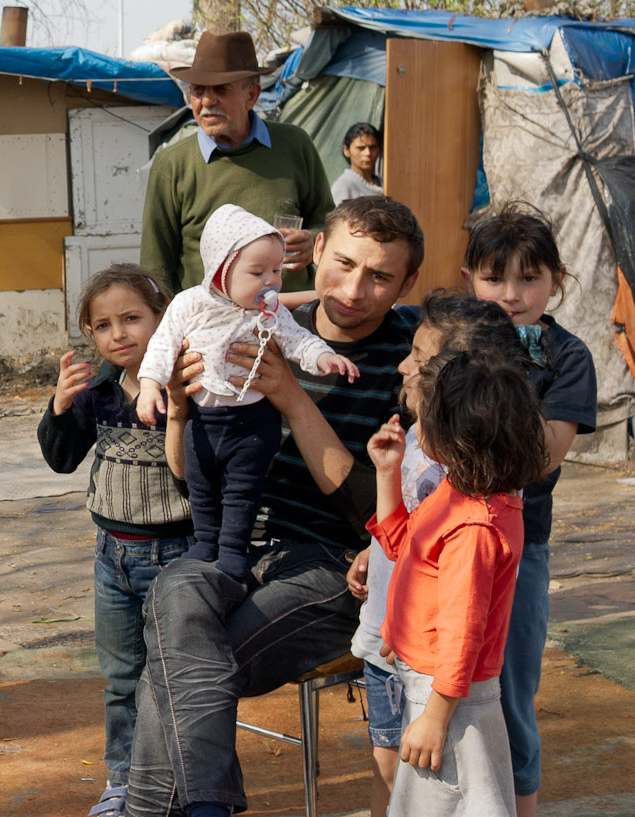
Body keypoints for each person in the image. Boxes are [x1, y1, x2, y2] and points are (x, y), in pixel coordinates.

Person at [125, 195, 424, 817]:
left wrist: (292, 397)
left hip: (340, 565)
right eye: (342, 263)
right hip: (242, 545)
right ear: (315, 252)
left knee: (185, 657)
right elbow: (187, 479)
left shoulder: (413, 364)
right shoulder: (248, 314)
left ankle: (154, 809)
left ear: (408, 283)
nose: (354, 288)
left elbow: (374, 513)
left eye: (380, 276)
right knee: (173, 596)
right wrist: (180, 410)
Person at [347, 292, 524, 817]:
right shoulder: (462, 496)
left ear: (464, 439)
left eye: (435, 428)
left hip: (448, 699)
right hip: (427, 684)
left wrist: (436, 717)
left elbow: (464, 629)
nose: (425, 437)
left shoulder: (474, 525)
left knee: (449, 803)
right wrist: (386, 475)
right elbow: (407, 550)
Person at [38, 265, 194, 817]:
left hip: (178, 558)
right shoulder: (99, 391)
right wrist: (59, 406)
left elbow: (200, 476)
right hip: (112, 560)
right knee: (122, 677)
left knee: (173, 679)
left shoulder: (185, 387)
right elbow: (60, 459)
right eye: (102, 325)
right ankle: (124, 782)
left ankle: (182, 784)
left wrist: (178, 410)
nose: (119, 334)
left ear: (164, 318)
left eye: (132, 318)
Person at [462, 205, 597, 817]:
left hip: (517, 549)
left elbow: (540, 457)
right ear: (469, 278)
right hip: (434, 543)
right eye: (494, 279)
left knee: (510, 691)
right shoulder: (448, 338)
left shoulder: (566, 357)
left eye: (529, 279)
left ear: (557, 279)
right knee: (430, 692)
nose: (511, 296)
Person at [137, 204, 358, 579]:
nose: (271, 281)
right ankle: (206, 541)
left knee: (243, 491)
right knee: (201, 482)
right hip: (203, 419)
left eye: (276, 270)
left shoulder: (269, 312)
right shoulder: (190, 303)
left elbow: (298, 340)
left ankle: (233, 551)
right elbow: (163, 345)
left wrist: (324, 356)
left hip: (252, 421)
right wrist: (148, 385)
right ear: (221, 272)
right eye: (258, 272)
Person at [141, 31, 334, 294]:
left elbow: (328, 224)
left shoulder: (294, 145)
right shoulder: (172, 165)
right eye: (198, 90)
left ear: (251, 96)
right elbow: (156, 268)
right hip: (211, 326)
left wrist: (312, 242)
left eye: (221, 90)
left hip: (292, 318)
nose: (207, 101)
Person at [331, 122, 384, 203]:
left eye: (373, 147)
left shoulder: (385, 183)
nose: (368, 153)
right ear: (346, 150)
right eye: (361, 148)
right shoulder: (343, 187)